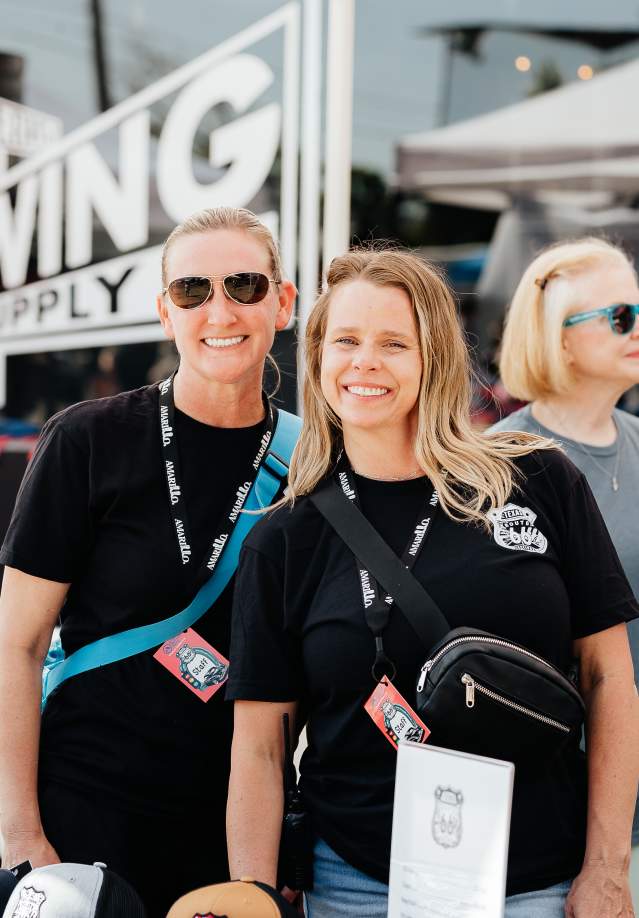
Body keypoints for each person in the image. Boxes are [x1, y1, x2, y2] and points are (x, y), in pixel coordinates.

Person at [225, 247, 639, 918]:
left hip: (537, 883)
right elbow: (260, 749)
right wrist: (253, 893)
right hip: (357, 887)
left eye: (394, 343)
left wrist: (606, 868)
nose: (365, 361)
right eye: (346, 341)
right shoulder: (283, 539)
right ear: (320, 357)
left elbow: (609, 680)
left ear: (434, 359)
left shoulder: (537, 481)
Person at [0, 207, 296, 917]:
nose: (219, 310)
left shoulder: (312, 462)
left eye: (245, 285)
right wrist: (20, 835)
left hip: (230, 827)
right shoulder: (89, 439)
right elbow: (17, 643)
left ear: (282, 303)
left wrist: (272, 863)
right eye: (193, 291)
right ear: (166, 312)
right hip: (80, 809)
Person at [491, 236, 639, 890]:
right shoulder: (498, 463)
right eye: (619, 317)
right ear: (559, 338)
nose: (635, 329)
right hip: (554, 793)